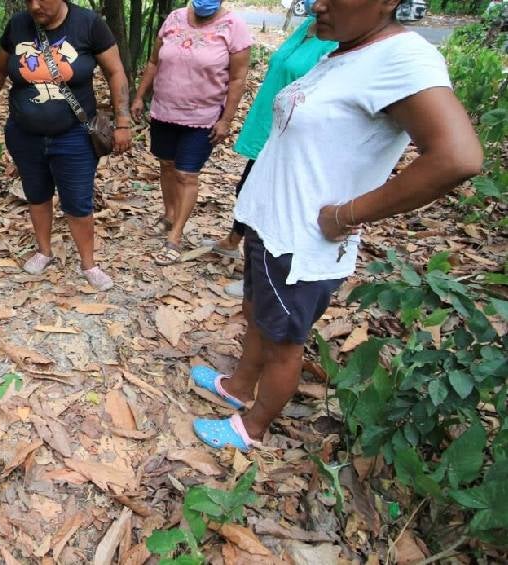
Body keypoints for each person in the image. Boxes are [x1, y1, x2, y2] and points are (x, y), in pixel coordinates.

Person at [191, 0, 483, 451]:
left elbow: (457, 157)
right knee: (257, 313)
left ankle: (252, 427)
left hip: (302, 242)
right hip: (272, 224)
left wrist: (349, 214)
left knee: (284, 341)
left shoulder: (405, 58)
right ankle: (238, 385)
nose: (317, 6)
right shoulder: (347, 49)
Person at [0, 0, 132, 291]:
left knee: (77, 200)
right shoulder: (18, 25)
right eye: (29, 0)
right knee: (36, 193)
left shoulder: (89, 24)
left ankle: (89, 264)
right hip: (24, 133)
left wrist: (123, 122)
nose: (35, 6)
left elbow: (115, 72)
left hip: (74, 134)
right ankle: (44, 251)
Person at [202, 4, 337, 298]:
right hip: (269, 125)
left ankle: (260, 279)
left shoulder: (336, 41)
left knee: (272, 202)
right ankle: (234, 245)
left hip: (294, 137)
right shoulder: (307, 26)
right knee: (250, 190)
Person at [131, 0, 252, 265]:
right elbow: (153, 62)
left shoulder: (234, 27)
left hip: (203, 117)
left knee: (186, 174)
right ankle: (169, 215)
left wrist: (226, 120)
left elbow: (237, 79)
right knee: (166, 165)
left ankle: (175, 236)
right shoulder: (174, 18)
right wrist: (140, 96)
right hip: (164, 111)